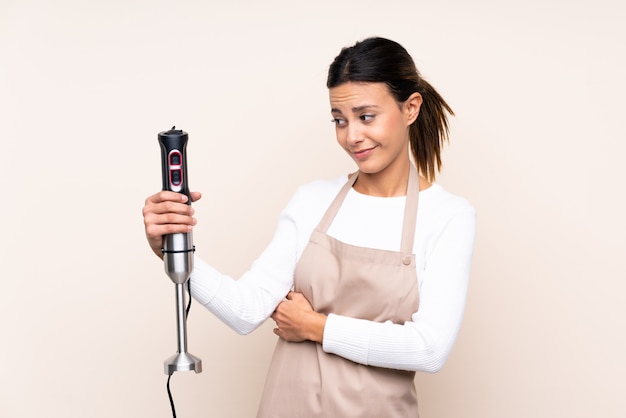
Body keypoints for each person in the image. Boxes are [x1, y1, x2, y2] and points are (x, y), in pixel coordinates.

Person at [143, 37, 476, 417]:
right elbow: (247, 310)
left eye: (366, 116)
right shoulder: (312, 201)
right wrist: (173, 251)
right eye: (339, 120)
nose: (351, 136)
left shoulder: (448, 216)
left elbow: (428, 349)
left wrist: (314, 326)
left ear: (410, 107)